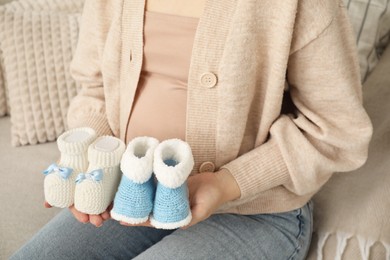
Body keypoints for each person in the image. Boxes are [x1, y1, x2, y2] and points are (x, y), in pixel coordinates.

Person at [11, 0, 373, 259]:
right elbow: (94, 91)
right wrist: (89, 158)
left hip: (253, 214)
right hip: (130, 196)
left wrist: (226, 183)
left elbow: (337, 130)